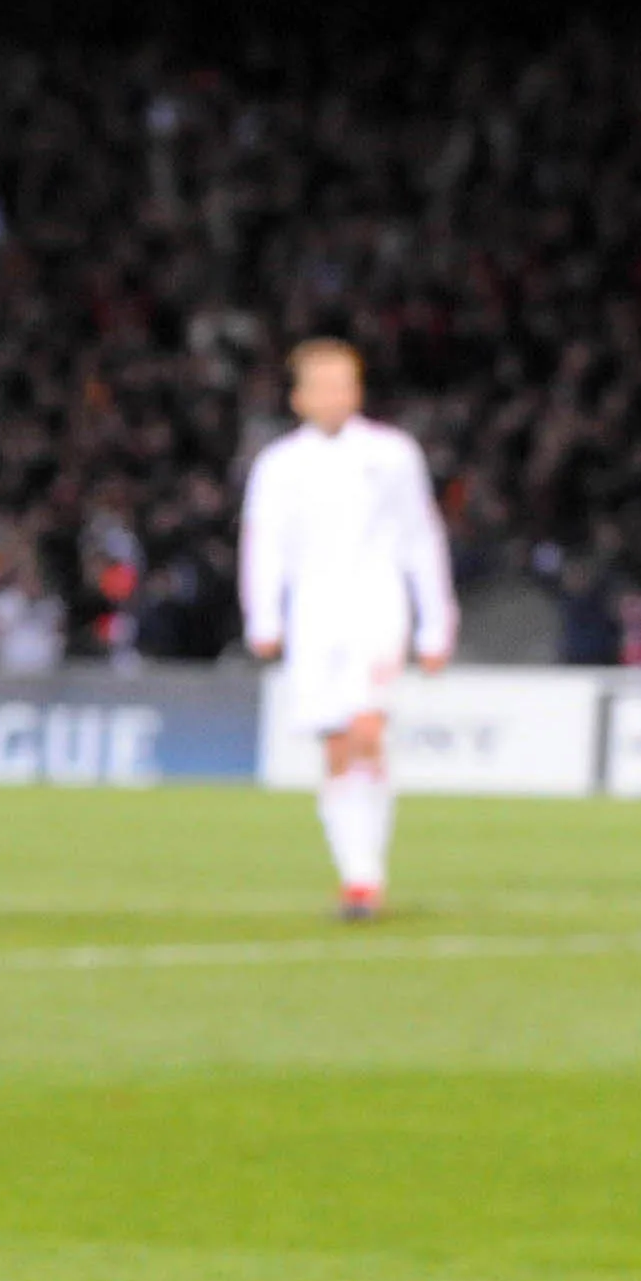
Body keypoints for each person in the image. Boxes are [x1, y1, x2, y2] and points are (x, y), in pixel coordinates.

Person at [239, 340, 455, 921]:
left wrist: (437, 621)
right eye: (325, 384)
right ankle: (356, 877)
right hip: (313, 616)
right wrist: (264, 615)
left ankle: (368, 876)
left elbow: (421, 535)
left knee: (366, 730)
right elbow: (265, 545)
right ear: (299, 397)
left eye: (346, 383)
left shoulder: (392, 453)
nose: (337, 395)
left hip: (377, 608)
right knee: (335, 745)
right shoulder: (280, 465)